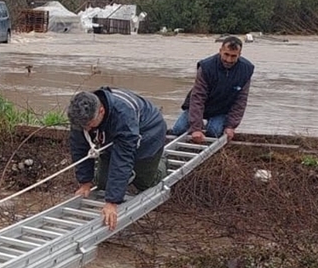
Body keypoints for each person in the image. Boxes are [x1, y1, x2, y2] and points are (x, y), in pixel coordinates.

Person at [66, 88, 168, 231]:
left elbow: (123, 158)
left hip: (148, 133)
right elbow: (79, 147)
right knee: (103, 183)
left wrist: (112, 202)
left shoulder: (123, 115)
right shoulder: (81, 116)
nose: (86, 129)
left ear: (101, 111)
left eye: (89, 125)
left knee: (145, 183)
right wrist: (85, 182)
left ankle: (161, 161)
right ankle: (127, 175)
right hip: (113, 135)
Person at [170, 35, 254, 144]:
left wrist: (231, 126)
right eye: (226, 54)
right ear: (220, 51)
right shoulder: (206, 67)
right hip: (201, 105)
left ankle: (210, 126)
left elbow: (240, 101)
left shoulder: (246, 70)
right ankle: (198, 123)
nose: (229, 59)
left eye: (233, 56)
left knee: (214, 131)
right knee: (179, 129)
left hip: (221, 108)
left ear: (239, 55)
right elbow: (198, 97)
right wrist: (196, 128)